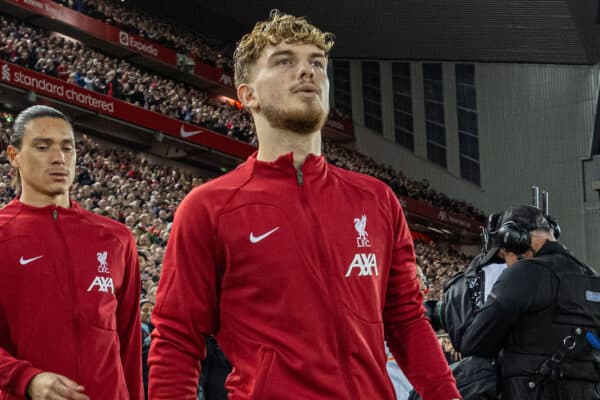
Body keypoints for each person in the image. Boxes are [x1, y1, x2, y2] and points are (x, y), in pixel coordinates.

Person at [148, 10, 460, 400]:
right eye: (284, 61)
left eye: (317, 63)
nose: (307, 71)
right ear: (248, 95)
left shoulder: (377, 200)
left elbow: (407, 322)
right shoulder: (208, 208)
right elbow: (177, 340)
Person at [0, 105, 143, 400]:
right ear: (14, 156)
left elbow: (129, 343)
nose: (59, 158)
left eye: (68, 148)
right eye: (42, 147)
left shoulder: (117, 239)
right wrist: (26, 379)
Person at [460, 205, 600, 399]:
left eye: (505, 254)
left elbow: (473, 343)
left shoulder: (524, 274)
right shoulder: (592, 276)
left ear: (517, 241)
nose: (508, 263)